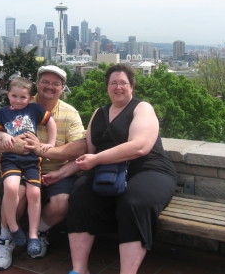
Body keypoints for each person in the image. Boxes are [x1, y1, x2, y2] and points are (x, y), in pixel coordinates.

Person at [66, 63, 177, 274]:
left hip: (148, 169)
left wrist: (97, 159)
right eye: (113, 83)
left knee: (133, 202)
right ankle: (79, 269)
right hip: (109, 170)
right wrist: (60, 173)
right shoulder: (98, 113)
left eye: (123, 83)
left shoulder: (141, 108)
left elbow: (140, 146)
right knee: (80, 195)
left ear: (132, 86)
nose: (118, 87)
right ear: (107, 87)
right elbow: (87, 153)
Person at [0, 65, 86, 271]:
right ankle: (5, 240)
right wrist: (15, 144)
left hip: (56, 170)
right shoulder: (20, 102)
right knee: (15, 192)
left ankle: (37, 234)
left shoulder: (70, 113)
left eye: (55, 83)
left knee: (61, 203)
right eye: (45, 82)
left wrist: (42, 150)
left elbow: (80, 147)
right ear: (37, 85)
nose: (50, 87)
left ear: (62, 87)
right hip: (23, 167)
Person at [0, 76, 57, 256]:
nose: (18, 100)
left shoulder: (34, 109)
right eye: (14, 96)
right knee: (11, 188)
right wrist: (4, 136)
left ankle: (33, 235)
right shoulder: (4, 112)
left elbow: (50, 122)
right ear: (8, 95)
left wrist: (50, 143)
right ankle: (13, 227)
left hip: (30, 160)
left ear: (30, 98)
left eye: (23, 97)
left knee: (34, 192)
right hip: (10, 159)